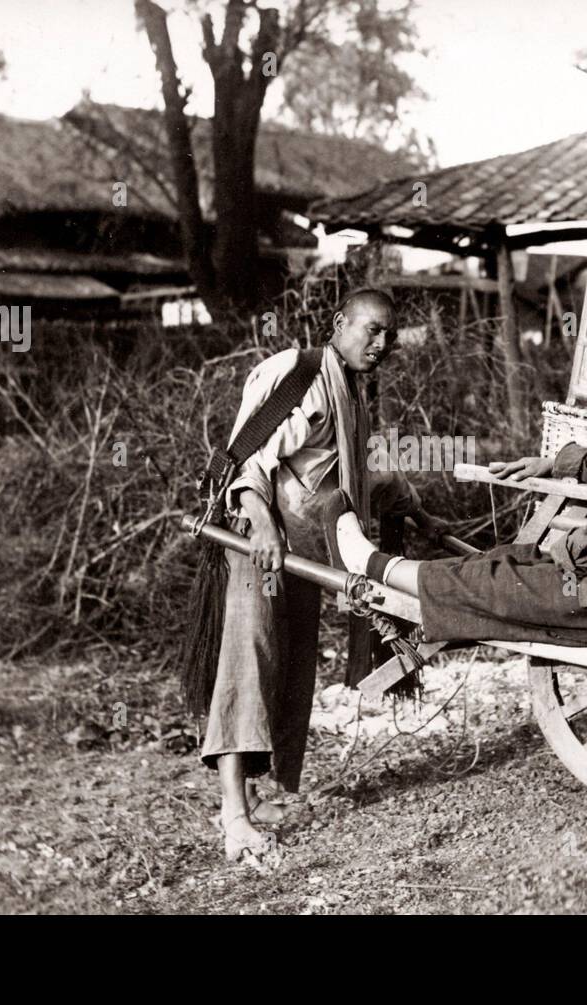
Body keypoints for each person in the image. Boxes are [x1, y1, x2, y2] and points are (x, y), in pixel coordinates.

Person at [325, 320, 587, 655]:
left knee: (494, 582)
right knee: (502, 561)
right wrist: (559, 462)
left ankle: (370, 566)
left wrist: (562, 550)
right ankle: (387, 573)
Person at [204, 289, 429, 866]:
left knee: (290, 667)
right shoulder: (300, 373)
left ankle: (254, 796)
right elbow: (249, 457)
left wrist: (409, 504)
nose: (379, 345)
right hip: (260, 542)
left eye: (388, 336)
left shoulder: (352, 388)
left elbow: (350, 471)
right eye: (370, 331)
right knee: (250, 660)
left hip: (306, 550)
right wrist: (262, 528)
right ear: (339, 323)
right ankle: (233, 816)